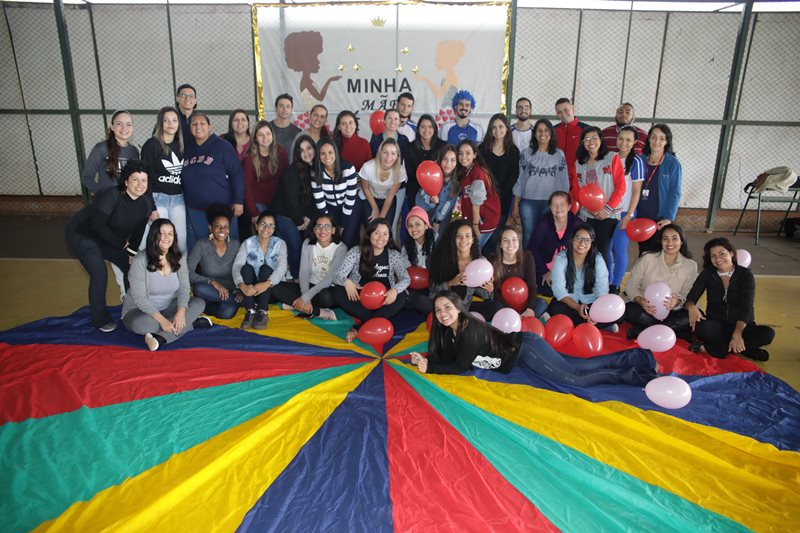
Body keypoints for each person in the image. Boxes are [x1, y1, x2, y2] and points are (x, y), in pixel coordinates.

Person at [409, 290, 657, 387]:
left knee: (576, 378)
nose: (442, 314)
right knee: (581, 365)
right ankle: (639, 357)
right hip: (523, 348)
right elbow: (449, 354)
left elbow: (460, 365)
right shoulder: (449, 330)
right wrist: (426, 358)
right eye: (438, 310)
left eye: (447, 307)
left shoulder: (469, 330)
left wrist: (431, 367)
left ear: (458, 308)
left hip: (526, 349)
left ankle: (637, 375)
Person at [65, 160, 155, 332]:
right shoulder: (112, 195)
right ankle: (100, 320)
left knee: (132, 266)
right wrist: (121, 244)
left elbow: (139, 230)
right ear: (126, 181)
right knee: (99, 274)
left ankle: (132, 308)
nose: (140, 184)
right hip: (83, 234)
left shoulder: (146, 203)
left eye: (144, 180)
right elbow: (97, 224)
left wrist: (131, 253)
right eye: (135, 179)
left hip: (106, 237)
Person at [122, 219, 209, 351]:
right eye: (161, 233)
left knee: (199, 303)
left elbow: (185, 288)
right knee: (140, 324)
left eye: (170, 234)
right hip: (140, 312)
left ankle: (160, 338)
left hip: (169, 307)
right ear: (153, 235)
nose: (166, 237)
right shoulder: (140, 260)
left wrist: (181, 312)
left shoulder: (179, 258)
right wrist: (163, 321)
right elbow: (140, 299)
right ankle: (189, 323)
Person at [685, 238, 774, 361]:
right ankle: (744, 348)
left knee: (767, 333)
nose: (718, 258)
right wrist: (691, 307)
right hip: (717, 325)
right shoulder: (707, 274)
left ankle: (717, 349)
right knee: (701, 327)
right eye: (713, 256)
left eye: (722, 253)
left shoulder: (745, 275)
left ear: (731, 253)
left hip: (742, 325)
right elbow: (691, 297)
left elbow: (746, 307)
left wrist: (737, 333)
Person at [332, 218, 410, 342]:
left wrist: (395, 290)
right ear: (369, 234)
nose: (380, 237)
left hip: (384, 300)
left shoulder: (394, 255)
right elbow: (337, 275)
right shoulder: (356, 251)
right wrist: (347, 282)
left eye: (385, 234)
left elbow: (406, 279)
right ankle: (374, 319)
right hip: (360, 299)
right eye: (377, 233)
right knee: (337, 291)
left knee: (402, 296)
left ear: (389, 237)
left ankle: (360, 327)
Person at [182, 112, 244, 251]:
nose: (198, 127)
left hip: (221, 208)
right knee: (203, 248)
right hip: (195, 210)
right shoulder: (187, 148)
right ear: (190, 128)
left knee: (229, 248)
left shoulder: (222, 146)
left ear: (210, 126)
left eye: (202, 123)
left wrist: (238, 201)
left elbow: (236, 173)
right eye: (194, 124)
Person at [624, 224, 697, 340]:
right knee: (629, 309)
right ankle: (674, 331)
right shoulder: (647, 258)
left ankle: (643, 331)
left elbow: (687, 292)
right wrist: (640, 300)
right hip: (646, 310)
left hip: (672, 312)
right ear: (661, 241)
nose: (670, 243)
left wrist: (676, 302)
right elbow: (631, 285)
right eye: (665, 238)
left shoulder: (690, 265)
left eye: (674, 238)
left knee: (694, 315)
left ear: (682, 241)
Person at [271, 213, 344, 320]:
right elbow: (304, 273)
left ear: (333, 230)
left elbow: (329, 280)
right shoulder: (308, 243)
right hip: (308, 287)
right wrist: (306, 297)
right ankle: (318, 312)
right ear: (314, 230)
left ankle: (294, 303)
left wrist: (305, 298)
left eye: (327, 226)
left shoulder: (341, 248)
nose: (322, 230)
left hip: (326, 290)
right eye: (318, 226)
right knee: (274, 287)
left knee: (327, 297)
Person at [548, 223, 618, 331]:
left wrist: (597, 313)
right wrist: (577, 307)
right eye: (578, 238)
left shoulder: (597, 259)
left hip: (592, 302)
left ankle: (582, 324)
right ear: (572, 239)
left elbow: (602, 289)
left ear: (591, 243)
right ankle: (596, 325)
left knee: (617, 310)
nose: (582, 243)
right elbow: (558, 289)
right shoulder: (561, 258)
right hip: (570, 303)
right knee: (555, 309)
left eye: (587, 240)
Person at [512, 118, 569, 247]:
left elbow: (564, 180)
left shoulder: (559, 155)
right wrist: (515, 204)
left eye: (546, 130)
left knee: (548, 236)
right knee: (528, 236)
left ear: (551, 133)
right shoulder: (526, 153)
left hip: (551, 203)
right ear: (534, 134)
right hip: (528, 202)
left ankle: (545, 261)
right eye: (539, 131)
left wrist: (564, 204)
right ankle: (529, 260)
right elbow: (520, 179)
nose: (543, 134)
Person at [428, 218, 499, 320]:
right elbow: (432, 287)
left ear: (473, 239)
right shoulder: (443, 258)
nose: (463, 240)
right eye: (459, 236)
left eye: (467, 236)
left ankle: (462, 318)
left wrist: (489, 290)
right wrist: (450, 283)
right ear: (453, 238)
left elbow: (483, 294)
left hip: (464, 307)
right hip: (443, 305)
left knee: (496, 307)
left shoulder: (480, 262)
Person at [574, 126, 625, 261]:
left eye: (594, 138)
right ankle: (589, 275)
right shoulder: (579, 163)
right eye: (587, 139)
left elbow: (621, 187)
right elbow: (576, 190)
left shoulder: (612, 158)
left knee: (603, 250)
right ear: (582, 142)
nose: (591, 142)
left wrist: (606, 210)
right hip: (587, 213)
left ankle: (605, 275)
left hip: (609, 213)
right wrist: (589, 208)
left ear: (601, 140)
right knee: (587, 249)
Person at [232, 210, 288, 330]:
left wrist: (267, 284)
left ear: (274, 229)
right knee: (245, 268)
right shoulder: (247, 243)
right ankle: (250, 311)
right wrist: (241, 285)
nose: (267, 228)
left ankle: (263, 311)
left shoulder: (280, 244)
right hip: (250, 291)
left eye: (271, 225)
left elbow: (282, 267)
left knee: (266, 269)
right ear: (256, 225)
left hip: (271, 290)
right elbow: (237, 265)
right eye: (263, 224)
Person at [140, 106, 186, 253]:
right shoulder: (152, 145)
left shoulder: (182, 144)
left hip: (178, 199)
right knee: (161, 241)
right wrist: (151, 207)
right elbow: (144, 178)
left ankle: (179, 267)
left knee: (181, 241)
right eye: (166, 120)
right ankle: (159, 267)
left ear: (179, 123)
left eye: (174, 120)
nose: (170, 124)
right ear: (160, 123)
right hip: (158, 198)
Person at [273, 134, 317, 279]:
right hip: (284, 215)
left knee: (310, 244)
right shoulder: (292, 172)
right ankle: (296, 277)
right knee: (296, 246)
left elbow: (316, 200)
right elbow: (291, 202)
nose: (306, 153)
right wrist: (299, 222)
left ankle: (307, 275)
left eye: (309, 148)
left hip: (303, 216)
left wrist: (308, 218)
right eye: (301, 150)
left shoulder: (316, 169)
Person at [607, 126, 645, 293]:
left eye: (628, 140)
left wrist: (629, 214)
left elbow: (636, 191)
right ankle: (607, 280)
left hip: (624, 212)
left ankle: (616, 284)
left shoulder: (636, 162)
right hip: (609, 211)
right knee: (606, 248)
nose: (623, 143)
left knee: (620, 248)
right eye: (621, 139)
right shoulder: (611, 158)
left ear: (635, 142)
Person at [188, 203, 241, 319]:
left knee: (227, 313)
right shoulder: (201, 245)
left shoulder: (235, 245)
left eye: (226, 226)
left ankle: (211, 306)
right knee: (199, 288)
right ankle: (234, 301)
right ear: (210, 227)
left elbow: (242, 270)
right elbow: (188, 272)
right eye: (218, 226)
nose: (222, 230)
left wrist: (239, 289)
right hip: (209, 291)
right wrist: (212, 282)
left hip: (229, 291)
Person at [635, 124, 682, 254]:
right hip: (641, 215)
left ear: (667, 142)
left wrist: (669, 217)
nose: (657, 141)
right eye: (654, 137)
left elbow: (675, 193)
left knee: (657, 253)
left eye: (662, 138)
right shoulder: (640, 160)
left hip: (660, 218)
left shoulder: (673, 163)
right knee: (643, 251)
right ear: (648, 139)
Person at [479, 114, 519, 254]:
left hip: (503, 201)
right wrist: (488, 195)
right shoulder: (482, 150)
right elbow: (479, 176)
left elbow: (513, 177)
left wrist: (498, 195)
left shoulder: (513, 151)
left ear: (507, 128)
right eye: (494, 127)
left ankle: (494, 264)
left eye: (501, 126)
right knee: (484, 237)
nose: (497, 130)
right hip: (484, 201)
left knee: (496, 237)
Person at [311, 138, 361, 247]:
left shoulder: (348, 169)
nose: (327, 157)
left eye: (330, 152)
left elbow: (350, 198)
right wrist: (329, 224)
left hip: (350, 206)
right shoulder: (315, 173)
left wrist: (342, 225)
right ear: (318, 155)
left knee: (347, 240)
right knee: (334, 239)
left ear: (336, 153)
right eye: (323, 153)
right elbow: (320, 201)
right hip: (330, 208)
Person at [529, 191, 580, 297]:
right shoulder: (543, 225)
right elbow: (532, 249)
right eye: (554, 205)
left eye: (562, 204)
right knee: (549, 291)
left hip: (571, 269)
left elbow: (586, 248)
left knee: (574, 290)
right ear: (550, 207)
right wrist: (545, 271)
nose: (558, 208)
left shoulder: (577, 224)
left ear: (569, 206)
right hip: (548, 270)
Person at [491, 226, 548, 318]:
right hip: (502, 304)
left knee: (542, 303)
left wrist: (529, 308)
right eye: (506, 240)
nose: (510, 244)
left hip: (523, 303)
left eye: (514, 239)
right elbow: (494, 292)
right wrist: (510, 311)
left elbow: (532, 286)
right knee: (494, 307)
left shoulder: (527, 257)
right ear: (500, 244)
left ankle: (523, 317)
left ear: (519, 242)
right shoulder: (493, 261)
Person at [81, 110, 139, 194]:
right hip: (108, 199)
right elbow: (86, 177)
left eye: (128, 124)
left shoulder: (134, 151)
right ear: (112, 127)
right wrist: (103, 194)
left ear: (133, 128)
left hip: (127, 199)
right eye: (119, 124)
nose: (124, 128)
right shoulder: (101, 148)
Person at [243, 120, 289, 223]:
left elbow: (286, 179)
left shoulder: (281, 152)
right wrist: (254, 212)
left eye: (268, 134)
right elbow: (247, 187)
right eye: (260, 135)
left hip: (277, 201)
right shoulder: (249, 158)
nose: (265, 138)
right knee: (265, 229)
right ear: (255, 137)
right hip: (258, 202)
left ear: (272, 135)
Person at [457, 140, 500, 248]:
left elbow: (476, 201)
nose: (463, 157)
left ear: (475, 155)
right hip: (473, 218)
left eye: (468, 153)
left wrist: (475, 225)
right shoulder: (465, 170)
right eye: (460, 153)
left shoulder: (478, 173)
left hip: (483, 221)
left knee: (473, 250)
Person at [359, 138, 406, 226]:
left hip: (387, 199)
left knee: (385, 226)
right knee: (371, 227)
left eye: (393, 153)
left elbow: (390, 195)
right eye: (385, 152)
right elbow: (365, 188)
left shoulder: (400, 171)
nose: (389, 157)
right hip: (369, 197)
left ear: (397, 156)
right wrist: (375, 208)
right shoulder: (368, 167)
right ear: (380, 153)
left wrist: (381, 219)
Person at [403, 114, 445, 208]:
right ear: (418, 129)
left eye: (430, 127)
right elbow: (410, 174)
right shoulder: (410, 147)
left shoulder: (443, 146)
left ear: (434, 128)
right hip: (416, 192)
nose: (426, 130)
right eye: (423, 127)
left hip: (438, 192)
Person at [415, 144, 459, 234]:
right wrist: (430, 200)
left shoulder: (457, 181)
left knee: (440, 235)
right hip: (425, 210)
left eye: (452, 160)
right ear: (440, 159)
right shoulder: (432, 171)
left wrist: (437, 221)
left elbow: (448, 205)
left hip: (443, 214)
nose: (448, 163)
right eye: (445, 159)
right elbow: (421, 196)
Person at [553, 97, 589, 204]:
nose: (563, 114)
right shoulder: (553, 131)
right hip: (557, 180)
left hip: (579, 180)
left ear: (572, 107)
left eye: (566, 110)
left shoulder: (586, 130)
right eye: (559, 112)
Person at [402, 206, 437, 314]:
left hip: (435, 287)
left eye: (418, 224)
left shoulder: (438, 243)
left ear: (426, 225)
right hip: (415, 288)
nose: (413, 229)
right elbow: (405, 272)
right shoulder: (406, 247)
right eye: (410, 225)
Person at [270, 93, 302, 158]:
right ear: (276, 108)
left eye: (288, 107)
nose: (285, 109)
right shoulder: (267, 128)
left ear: (291, 110)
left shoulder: (298, 132)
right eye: (281, 106)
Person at [174, 83, 197, 148]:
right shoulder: (169, 118)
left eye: (191, 96)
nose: (187, 99)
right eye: (183, 95)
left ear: (195, 100)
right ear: (177, 98)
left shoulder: (200, 118)